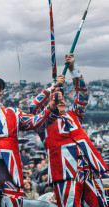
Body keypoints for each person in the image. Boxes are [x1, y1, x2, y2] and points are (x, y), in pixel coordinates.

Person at [0, 71, 60, 206]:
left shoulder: (15, 113)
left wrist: (50, 107)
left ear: (1, 90)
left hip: (12, 175)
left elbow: (36, 121)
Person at [29, 54, 108, 206]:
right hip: (65, 174)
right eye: (56, 98)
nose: (61, 99)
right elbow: (32, 108)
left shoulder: (74, 115)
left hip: (89, 170)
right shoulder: (43, 123)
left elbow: (83, 96)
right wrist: (51, 89)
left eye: (62, 96)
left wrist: (73, 69)